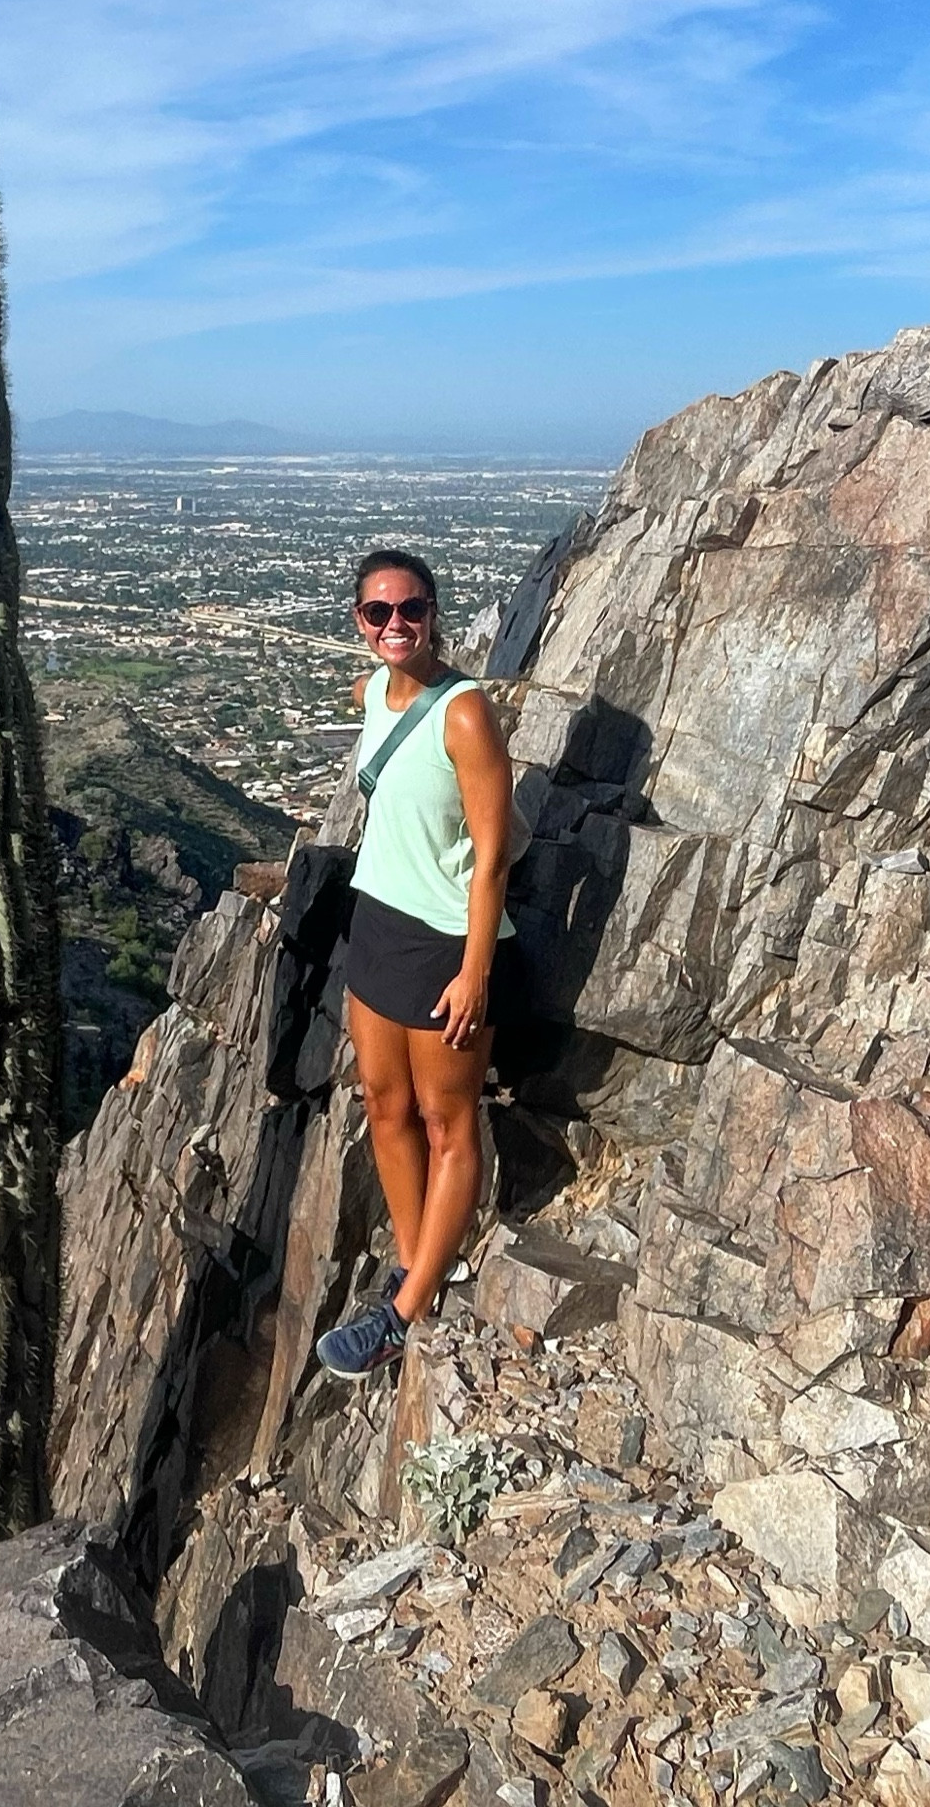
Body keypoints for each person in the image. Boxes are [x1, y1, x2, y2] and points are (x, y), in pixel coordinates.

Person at [316, 547, 523, 1378]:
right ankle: (419, 1265)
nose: (395, 624)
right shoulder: (377, 693)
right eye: (377, 613)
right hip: (377, 926)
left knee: (448, 1123)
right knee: (385, 1103)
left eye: (410, 610)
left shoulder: (464, 714)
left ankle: (400, 1314)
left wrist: (475, 971)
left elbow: (494, 856)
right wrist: (376, 678)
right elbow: (366, 692)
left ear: (434, 612)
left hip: (445, 942)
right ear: (359, 623)